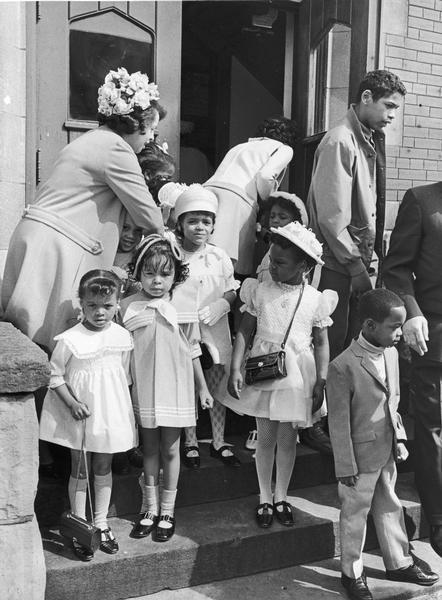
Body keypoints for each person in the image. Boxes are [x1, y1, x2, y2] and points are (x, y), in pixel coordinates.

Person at [2, 67, 164, 354]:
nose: (151, 138)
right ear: (133, 124)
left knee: (23, 332)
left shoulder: (86, 141)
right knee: (50, 343)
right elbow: (148, 216)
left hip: (35, 235)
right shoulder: (117, 150)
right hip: (58, 247)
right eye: (150, 129)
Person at [304, 69, 407, 452]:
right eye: (389, 105)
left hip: (359, 264)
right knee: (329, 345)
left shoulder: (366, 138)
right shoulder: (340, 141)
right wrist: (357, 268)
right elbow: (332, 219)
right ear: (366, 97)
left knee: (350, 344)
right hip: (339, 264)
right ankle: (313, 422)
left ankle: (337, 422)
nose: (392, 115)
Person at [327, 289, 439, 600]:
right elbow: (337, 423)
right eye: (394, 327)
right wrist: (345, 466)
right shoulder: (342, 366)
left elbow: (394, 402)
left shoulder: (390, 353)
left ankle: (399, 562)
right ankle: (352, 572)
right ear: (369, 325)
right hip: (358, 458)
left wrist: (399, 438)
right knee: (355, 514)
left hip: (386, 449)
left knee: (390, 504)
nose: (400, 333)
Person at [227, 222, 337, 528]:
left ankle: (281, 496)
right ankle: (264, 497)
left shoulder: (316, 299)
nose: (272, 267)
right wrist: (235, 367)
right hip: (265, 372)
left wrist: (322, 381)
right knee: (265, 438)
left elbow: (322, 343)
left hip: (298, 377)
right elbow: (244, 331)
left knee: (288, 440)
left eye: (280, 263)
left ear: (303, 266)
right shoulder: (260, 292)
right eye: (270, 260)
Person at [121, 234, 213, 542]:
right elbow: (122, 351)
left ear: (176, 275)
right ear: (138, 273)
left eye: (164, 273)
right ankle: (149, 508)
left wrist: (202, 388)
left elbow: (193, 349)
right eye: (149, 273)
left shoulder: (184, 303)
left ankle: (168, 511)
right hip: (145, 386)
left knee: (171, 449)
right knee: (149, 448)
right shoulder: (127, 307)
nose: (157, 281)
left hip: (175, 386)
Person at [39, 270, 136, 561]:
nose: (100, 312)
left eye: (107, 306)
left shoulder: (121, 336)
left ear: (118, 304)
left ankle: (101, 522)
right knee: (80, 467)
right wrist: (71, 403)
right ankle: (80, 523)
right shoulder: (70, 339)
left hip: (109, 411)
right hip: (79, 412)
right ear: (82, 304)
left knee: (103, 465)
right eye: (92, 305)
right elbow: (54, 375)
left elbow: (124, 376)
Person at [382, 181, 442, 558]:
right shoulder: (422, 200)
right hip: (434, 331)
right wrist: (413, 314)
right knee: (434, 424)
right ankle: (438, 517)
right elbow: (396, 268)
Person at [171, 184, 240, 469]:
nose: (200, 227)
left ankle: (218, 440)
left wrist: (224, 304)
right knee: (188, 384)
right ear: (181, 223)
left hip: (214, 326)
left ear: (213, 226)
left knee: (216, 382)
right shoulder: (173, 252)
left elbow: (230, 288)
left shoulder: (219, 256)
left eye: (206, 222)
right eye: (193, 221)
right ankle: (189, 442)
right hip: (184, 328)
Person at [205, 115, 298, 278]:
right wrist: (269, 202)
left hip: (209, 192)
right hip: (236, 199)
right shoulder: (284, 148)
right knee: (233, 267)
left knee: (207, 257)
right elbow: (265, 176)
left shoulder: (241, 146)